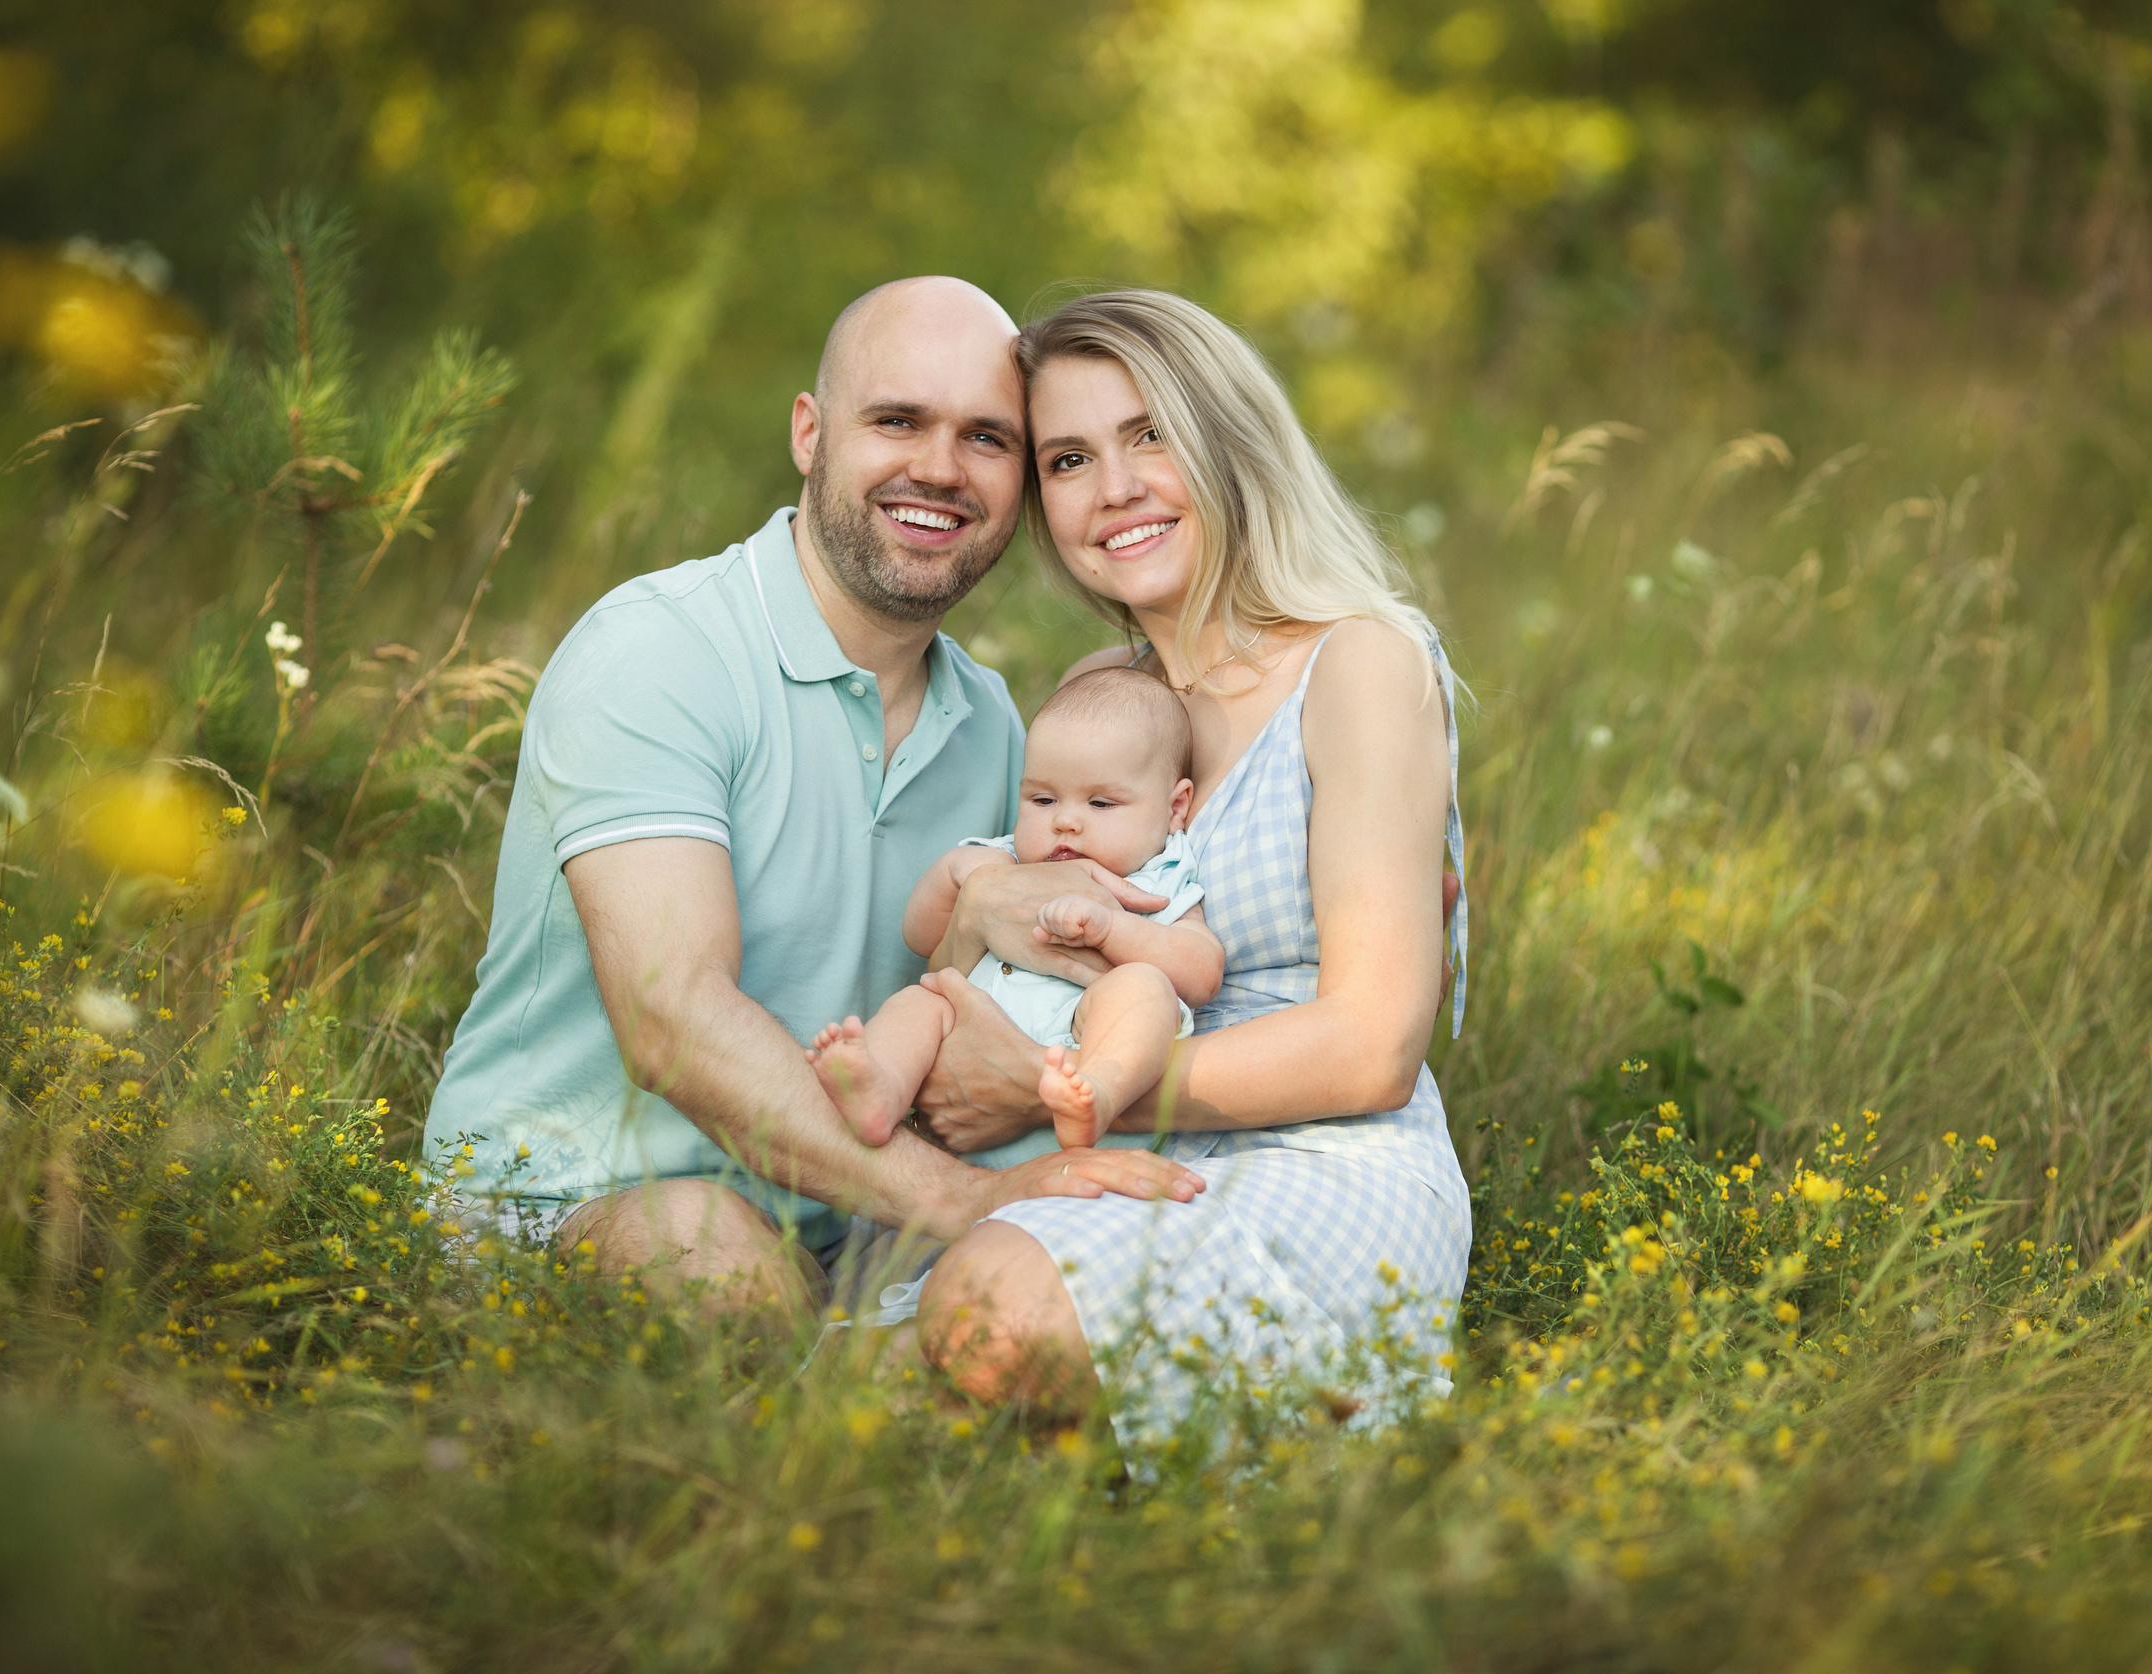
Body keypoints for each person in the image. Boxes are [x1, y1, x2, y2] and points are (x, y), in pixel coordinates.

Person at [421, 278, 1206, 1313]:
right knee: (715, 1262)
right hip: (571, 1199)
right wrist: (973, 1201)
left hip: (849, 1226)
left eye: (986, 439)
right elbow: (674, 1022)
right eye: (896, 421)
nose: (938, 468)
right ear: (808, 433)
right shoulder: (660, 650)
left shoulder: (999, 737)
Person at [905, 289, 1474, 1446]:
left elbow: (1371, 1045)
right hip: (1108, 1149)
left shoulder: (1357, 663)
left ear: (1228, 441)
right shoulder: (1098, 699)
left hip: (1318, 1157)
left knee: (986, 1320)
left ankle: (1255, 1454)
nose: (1113, 488)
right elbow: (1004, 913)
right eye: (1069, 457)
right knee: (831, 1384)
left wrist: (1045, 1084)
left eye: (1149, 435)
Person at [806, 665, 1220, 1157]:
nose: (1065, 820)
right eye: (1042, 799)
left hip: (1079, 1044)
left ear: (1175, 808)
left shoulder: (1160, 878)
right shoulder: (1006, 860)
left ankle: (1098, 1095)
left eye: (1102, 804)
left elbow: (1201, 971)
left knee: (1141, 990)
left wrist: (1113, 929)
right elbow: (919, 935)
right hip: (967, 1057)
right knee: (924, 1001)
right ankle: (882, 1088)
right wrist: (959, 874)